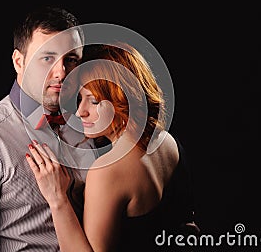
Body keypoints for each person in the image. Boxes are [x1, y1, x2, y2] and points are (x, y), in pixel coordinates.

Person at [0, 6, 99, 251]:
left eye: (71, 60)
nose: (61, 72)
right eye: (47, 58)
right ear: (19, 62)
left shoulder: (88, 125)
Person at [26, 42, 200, 251]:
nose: (81, 111)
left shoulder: (107, 172)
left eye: (94, 101)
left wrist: (58, 199)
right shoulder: (166, 141)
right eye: (81, 99)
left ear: (122, 99)